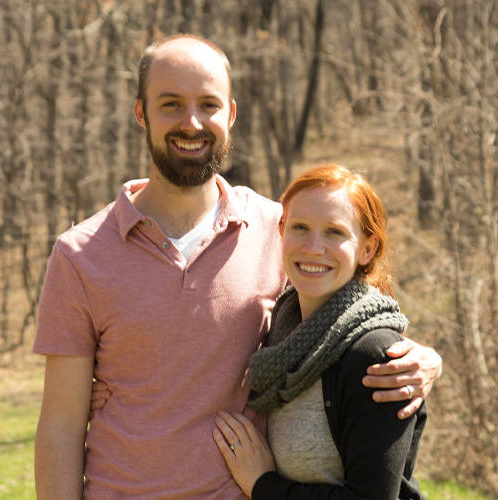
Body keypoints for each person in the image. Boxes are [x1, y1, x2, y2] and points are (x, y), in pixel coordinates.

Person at [33, 34, 440, 500]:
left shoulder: (279, 229)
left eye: (207, 104)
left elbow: (352, 310)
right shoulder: (81, 254)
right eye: (171, 104)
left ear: (230, 114)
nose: (191, 122)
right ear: (141, 112)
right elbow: (61, 426)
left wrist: (424, 358)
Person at [212, 164, 428, 499]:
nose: (313, 247)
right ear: (281, 232)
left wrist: (262, 484)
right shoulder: (282, 335)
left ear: (367, 249)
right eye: (300, 227)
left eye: (334, 232)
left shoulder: (375, 356)